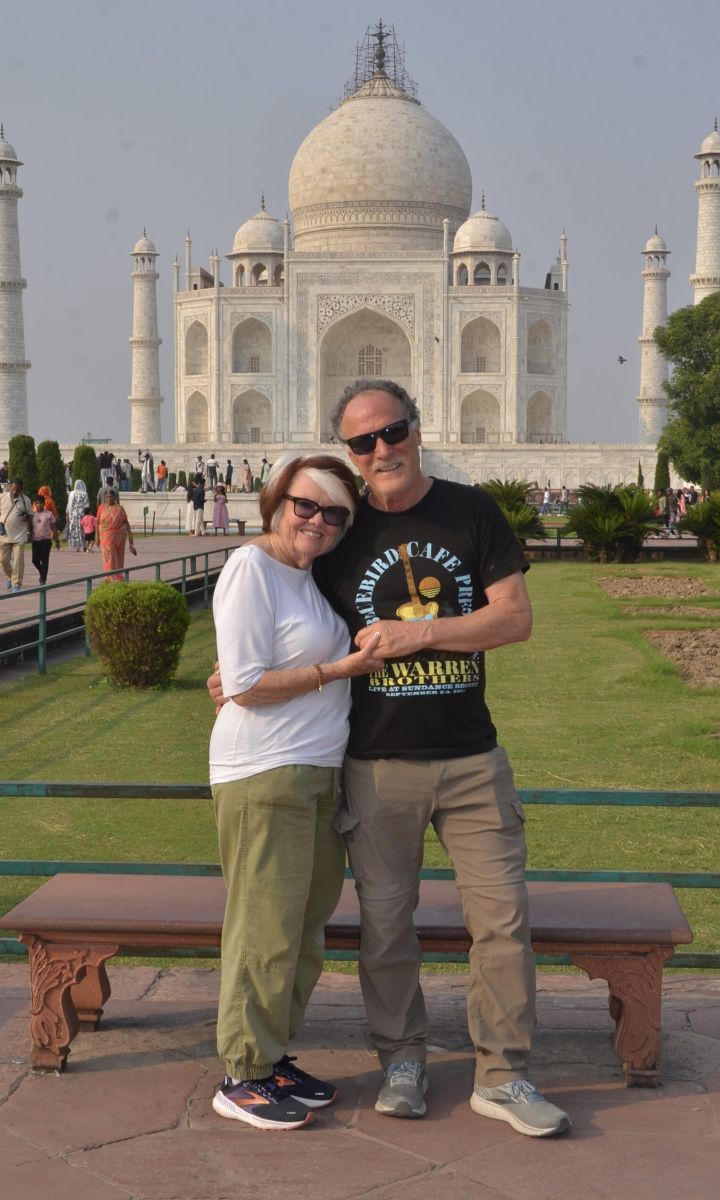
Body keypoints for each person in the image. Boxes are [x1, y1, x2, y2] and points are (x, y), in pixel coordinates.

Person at [314, 380, 570, 1138]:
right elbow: (279, 599)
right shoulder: (340, 530)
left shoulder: (470, 510)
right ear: (349, 455)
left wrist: (418, 635)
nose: (381, 450)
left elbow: (513, 619)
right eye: (362, 442)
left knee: (501, 922)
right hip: (377, 762)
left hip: (470, 758)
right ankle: (401, 1057)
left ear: (416, 430)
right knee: (386, 923)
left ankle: (503, 1073)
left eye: (392, 432)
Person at [209, 454, 383, 1131]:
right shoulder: (252, 566)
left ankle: (273, 1055)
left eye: (333, 513)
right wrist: (341, 668)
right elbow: (247, 684)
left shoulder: (303, 579)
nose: (317, 521)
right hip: (264, 773)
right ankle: (242, 1073)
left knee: (303, 928)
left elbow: (245, 668)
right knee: (265, 928)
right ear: (277, 502)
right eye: (306, 505)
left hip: (314, 771)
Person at [0, 478, 34, 592]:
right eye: (13, 489)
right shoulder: (2, 497)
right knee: (3, 561)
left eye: (17, 490)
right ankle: (10, 577)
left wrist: (30, 530)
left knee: (18, 560)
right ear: (9, 487)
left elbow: (30, 517)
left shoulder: (26, 500)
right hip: (4, 534)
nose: (14, 492)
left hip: (20, 535)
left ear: (21, 490)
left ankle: (16, 584)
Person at [96, 489, 136, 580]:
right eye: (107, 497)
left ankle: (118, 576)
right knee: (108, 556)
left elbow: (126, 523)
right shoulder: (101, 508)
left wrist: (131, 540)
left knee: (118, 557)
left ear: (115, 498)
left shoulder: (120, 508)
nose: (108, 498)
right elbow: (97, 522)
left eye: (110, 496)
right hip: (105, 537)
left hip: (118, 537)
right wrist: (96, 537)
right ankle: (110, 577)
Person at [31, 495, 57, 584]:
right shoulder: (32, 515)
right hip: (35, 540)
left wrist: (56, 540)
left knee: (45, 560)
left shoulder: (49, 514)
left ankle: (43, 579)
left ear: (44, 503)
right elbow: (29, 527)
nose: (39, 505)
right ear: (34, 504)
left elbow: (54, 527)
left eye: (41, 503)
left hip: (46, 540)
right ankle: (42, 572)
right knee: (35, 560)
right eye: (37, 503)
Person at [66, 479, 89, 551]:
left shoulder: (71, 493)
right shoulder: (84, 494)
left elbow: (69, 505)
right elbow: (86, 506)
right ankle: (84, 545)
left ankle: (77, 547)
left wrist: (67, 514)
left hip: (73, 515)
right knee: (83, 530)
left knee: (75, 531)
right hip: (82, 514)